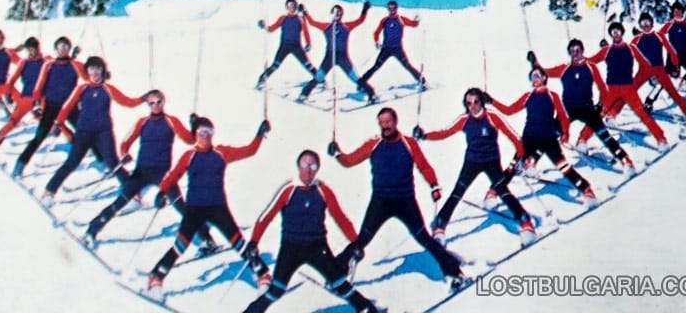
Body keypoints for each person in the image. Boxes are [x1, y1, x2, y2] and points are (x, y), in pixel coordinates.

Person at [328, 107, 466, 290]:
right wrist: (337, 153)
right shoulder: (374, 144)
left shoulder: (408, 143)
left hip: (405, 201)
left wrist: (434, 185)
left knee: (423, 237)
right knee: (363, 239)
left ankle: (454, 272)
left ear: (395, 122)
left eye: (388, 122)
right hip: (380, 201)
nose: (385, 126)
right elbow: (349, 161)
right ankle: (337, 271)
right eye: (382, 123)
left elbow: (424, 166)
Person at [145, 115, 272, 300]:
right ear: (195, 135)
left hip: (218, 207)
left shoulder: (221, 153)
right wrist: (161, 192)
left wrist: (259, 135)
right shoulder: (189, 156)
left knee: (238, 242)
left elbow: (248, 151)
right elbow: (173, 176)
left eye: (210, 132)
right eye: (202, 132)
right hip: (195, 209)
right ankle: (156, 277)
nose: (206, 136)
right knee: (181, 245)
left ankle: (262, 274)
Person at [241, 149, 381, 313]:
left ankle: (367, 309)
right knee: (275, 290)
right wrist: (253, 242)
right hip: (291, 248)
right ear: (298, 166)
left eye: (313, 166)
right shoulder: (288, 190)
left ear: (317, 169)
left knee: (339, 283)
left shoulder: (322, 190)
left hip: (317, 247)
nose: (307, 169)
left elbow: (341, 218)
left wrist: (356, 243)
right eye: (304, 164)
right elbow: (266, 216)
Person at [413, 87, 535, 245]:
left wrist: (519, 157)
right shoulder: (464, 120)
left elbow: (515, 138)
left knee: (502, 190)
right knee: (458, 191)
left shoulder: (492, 117)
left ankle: (525, 222)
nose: (472, 106)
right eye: (469, 103)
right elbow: (445, 132)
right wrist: (424, 135)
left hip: (491, 160)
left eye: (476, 102)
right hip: (472, 160)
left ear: (482, 102)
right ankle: (440, 224)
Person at [84, 91, 201, 246]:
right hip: (142, 171)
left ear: (164, 101)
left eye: (159, 102)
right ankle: (92, 230)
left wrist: (195, 125)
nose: (156, 106)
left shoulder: (171, 121)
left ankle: (206, 239)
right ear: (148, 104)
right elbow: (125, 143)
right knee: (121, 200)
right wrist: (124, 154)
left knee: (179, 204)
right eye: (152, 103)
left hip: (163, 172)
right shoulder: (142, 122)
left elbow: (189, 139)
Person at [41, 56, 144, 205]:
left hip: (104, 132)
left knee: (112, 162)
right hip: (84, 131)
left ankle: (132, 192)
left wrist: (144, 98)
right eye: (91, 69)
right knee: (72, 161)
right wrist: (58, 123)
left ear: (103, 71)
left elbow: (126, 102)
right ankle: (49, 191)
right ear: (87, 71)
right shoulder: (82, 88)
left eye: (97, 69)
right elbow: (67, 107)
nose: (94, 72)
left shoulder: (108, 89)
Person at [491, 68, 596, 200]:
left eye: (537, 76)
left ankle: (585, 188)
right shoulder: (527, 96)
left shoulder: (552, 95)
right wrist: (491, 101)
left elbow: (563, 117)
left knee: (562, 165)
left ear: (544, 78)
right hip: (529, 137)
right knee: (514, 164)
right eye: (532, 77)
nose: (534, 79)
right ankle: (494, 191)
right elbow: (509, 110)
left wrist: (565, 133)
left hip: (548, 138)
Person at [533, 40, 633, 168]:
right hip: (569, 109)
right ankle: (531, 162)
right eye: (572, 51)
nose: (575, 54)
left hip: (587, 108)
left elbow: (602, 88)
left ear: (582, 51)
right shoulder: (564, 68)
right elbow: (544, 73)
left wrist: (600, 104)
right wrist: (534, 62)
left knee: (604, 134)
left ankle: (625, 160)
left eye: (578, 50)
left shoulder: (591, 67)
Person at [13, 35, 85, 177]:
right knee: (40, 136)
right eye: (60, 46)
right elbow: (39, 86)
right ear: (56, 49)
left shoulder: (75, 65)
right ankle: (20, 164)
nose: (63, 49)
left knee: (87, 132)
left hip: (69, 107)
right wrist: (36, 104)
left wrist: (105, 75)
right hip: (51, 106)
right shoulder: (49, 64)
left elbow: (90, 77)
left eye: (66, 46)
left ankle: (103, 162)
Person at [585, 23, 668, 147]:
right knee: (599, 116)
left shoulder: (631, 48)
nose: (616, 34)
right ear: (611, 34)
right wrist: (579, 60)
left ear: (622, 33)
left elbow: (645, 65)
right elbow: (591, 61)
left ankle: (661, 139)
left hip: (628, 88)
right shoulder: (606, 50)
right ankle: (582, 141)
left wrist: (652, 75)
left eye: (618, 31)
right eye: (613, 32)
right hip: (612, 88)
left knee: (642, 114)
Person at [299, 2, 376, 103]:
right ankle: (304, 94)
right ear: (332, 14)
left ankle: (371, 93)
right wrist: (304, 11)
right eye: (335, 13)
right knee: (319, 76)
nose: (337, 15)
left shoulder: (346, 26)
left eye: (339, 13)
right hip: (330, 56)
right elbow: (312, 22)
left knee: (354, 77)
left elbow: (360, 21)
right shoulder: (327, 27)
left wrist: (365, 10)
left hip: (342, 56)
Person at [630, 13, 686, 123]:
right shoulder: (637, 40)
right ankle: (609, 112)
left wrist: (675, 65)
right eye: (643, 24)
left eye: (648, 23)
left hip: (659, 70)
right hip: (644, 71)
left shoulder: (659, 36)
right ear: (640, 26)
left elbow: (671, 51)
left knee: (673, 93)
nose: (646, 25)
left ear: (652, 24)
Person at [358, 1, 424, 92]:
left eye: (393, 8)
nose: (392, 10)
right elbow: (376, 33)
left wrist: (417, 20)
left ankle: (422, 81)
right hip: (386, 49)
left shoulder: (401, 19)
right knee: (376, 66)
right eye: (390, 8)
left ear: (396, 9)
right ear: (387, 9)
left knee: (407, 66)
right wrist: (377, 41)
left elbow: (413, 24)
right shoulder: (384, 20)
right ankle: (362, 83)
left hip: (398, 49)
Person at [255, 0, 315, 89]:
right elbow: (271, 29)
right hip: (284, 46)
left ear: (296, 6)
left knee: (307, 64)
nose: (292, 7)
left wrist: (308, 43)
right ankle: (261, 80)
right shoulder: (282, 18)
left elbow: (305, 31)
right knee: (275, 65)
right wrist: (264, 26)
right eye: (289, 6)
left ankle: (321, 80)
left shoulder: (300, 19)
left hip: (296, 46)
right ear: (286, 7)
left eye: (293, 5)